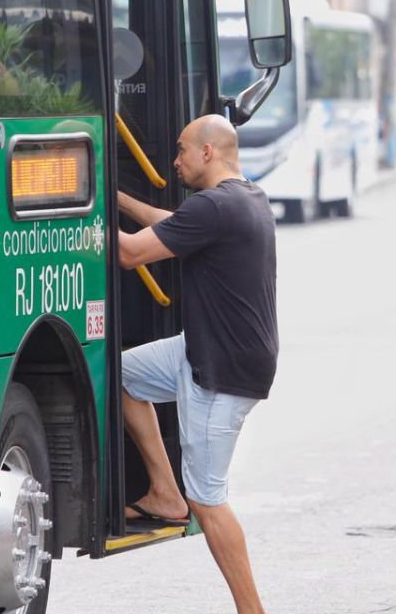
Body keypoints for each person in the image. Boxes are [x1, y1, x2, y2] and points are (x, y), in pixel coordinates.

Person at [116, 114, 277, 614]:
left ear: (208, 152)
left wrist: (79, 203)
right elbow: (170, 223)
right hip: (200, 350)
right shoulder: (243, 197)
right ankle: (165, 492)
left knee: (208, 499)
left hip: (220, 370)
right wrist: (116, 198)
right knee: (118, 374)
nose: (175, 160)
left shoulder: (215, 207)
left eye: (183, 150)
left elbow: (129, 254)